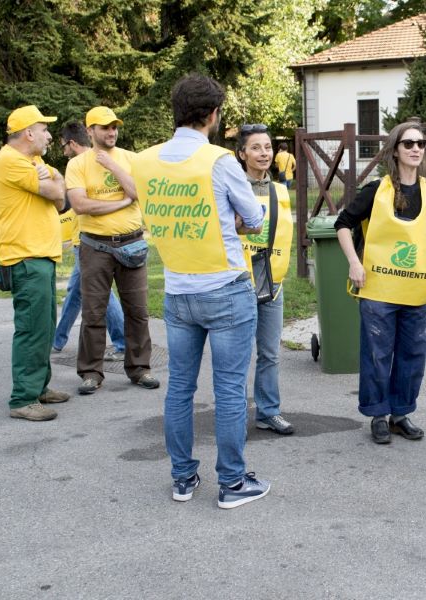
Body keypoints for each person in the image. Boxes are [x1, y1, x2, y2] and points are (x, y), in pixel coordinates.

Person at [131, 73, 270, 509]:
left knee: (179, 389)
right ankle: (231, 483)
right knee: (229, 390)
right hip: (225, 286)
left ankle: (182, 478)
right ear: (213, 115)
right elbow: (255, 217)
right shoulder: (219, 161)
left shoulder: (145, 161)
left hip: (178, 289)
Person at [334, 122, 426, 444]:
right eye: (408, 143)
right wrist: (354, 263)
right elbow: (343, 224)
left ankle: (401, 413)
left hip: (416, 289)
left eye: (421, 143)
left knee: (412, 354)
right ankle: (378, 415)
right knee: (377, 354)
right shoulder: (378, 189)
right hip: (379, 290)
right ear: (395, 150)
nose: (416, 149)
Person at [0, 105, 70, 421]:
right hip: (24, 258)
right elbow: (53, 190)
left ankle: (38, 388)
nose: (50, 135)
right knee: (31, 329)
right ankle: (23, 399)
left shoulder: (34, 162)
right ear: (28, 133)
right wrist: (55, 182)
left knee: (44, 327)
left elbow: (61, 201)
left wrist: (57, 180)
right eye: (44, 129)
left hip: (41, 257)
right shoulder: (10, 161)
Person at [67, 106, 157, 395]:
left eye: (114, 127)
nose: (111, 132)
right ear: (90, 130)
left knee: (138, 311)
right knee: (93, 313)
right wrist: (121, 202)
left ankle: (140, 368)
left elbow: (140, 192)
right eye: (105, 127)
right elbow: (81, 205)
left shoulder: (130, 159)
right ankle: (91, 373)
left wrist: (113, 167)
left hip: (131, 244)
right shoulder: (77, 164)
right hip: (94, 246)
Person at [236, 124, 295, 435]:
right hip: (238, 282)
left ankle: (268, 411)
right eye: (256, 148)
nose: (264, 153)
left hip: (272, 282)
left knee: (270, 352)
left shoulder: (279, 190)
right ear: (242, 153)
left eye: (268, 147)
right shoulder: (233, 187)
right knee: (238, 353)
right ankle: (232, 415)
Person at [52, 121, 126, 361]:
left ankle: (123, 341)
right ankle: (57, 341)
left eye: (64, 145)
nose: (63, 150)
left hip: (89, 242)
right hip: (80, 240)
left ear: (72, 143)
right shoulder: (82, 164)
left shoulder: (83, 165)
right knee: (75, 291)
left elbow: (82, 206)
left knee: (102, 294)